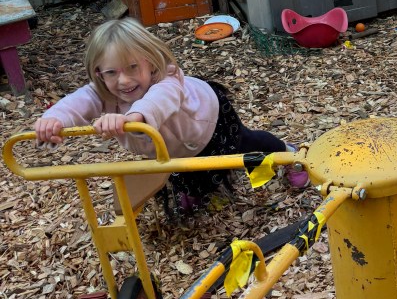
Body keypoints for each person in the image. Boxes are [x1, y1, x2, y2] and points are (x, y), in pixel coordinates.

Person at [34, 18, 308, 215]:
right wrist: (54, 118)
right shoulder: (103, 91)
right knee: (180, 169)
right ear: (99, 73)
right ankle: (193, 191)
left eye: (132, 67)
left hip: (208, 121)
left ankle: (289, 155)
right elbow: (78, 103)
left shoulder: (167, 80)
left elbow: (158, 101)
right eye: (111, 72)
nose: (124, 80)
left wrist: (133, 117)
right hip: (171, 145)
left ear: (150, 62)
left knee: (246, 143)